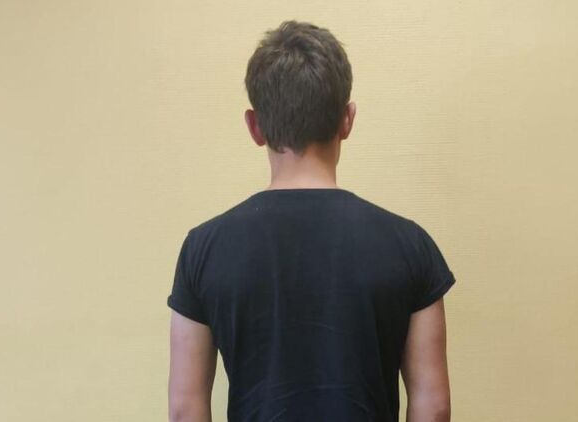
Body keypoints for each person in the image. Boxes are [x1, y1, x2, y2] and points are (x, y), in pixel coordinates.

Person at [167, 20, 456, 422]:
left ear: (255, 126)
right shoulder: (411, 245)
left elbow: (185, 409)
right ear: (347, 119)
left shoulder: (203, 249)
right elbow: (433, 406)